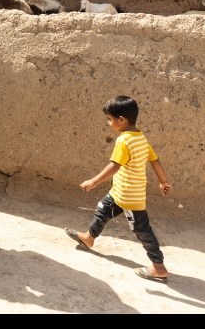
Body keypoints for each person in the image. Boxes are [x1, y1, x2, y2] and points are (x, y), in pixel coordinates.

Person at [65, 95, 172, 282]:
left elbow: (114, 166)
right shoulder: (141, 138)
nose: (108, 123)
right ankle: (89, 237)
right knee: (103, 210)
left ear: (121, 120)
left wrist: (94, 181)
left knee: (143, 231)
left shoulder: (123, 141)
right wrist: (163, 181)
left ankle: (158, 267)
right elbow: (154, 160)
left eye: (109, 119)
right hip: (119, 192)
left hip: (129, 197)